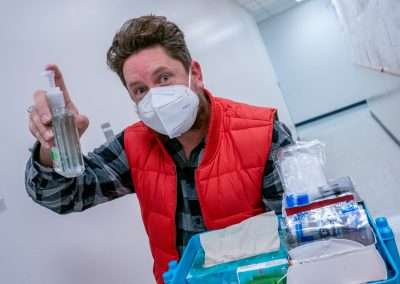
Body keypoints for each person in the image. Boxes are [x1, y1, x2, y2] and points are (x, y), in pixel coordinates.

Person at [25, 15, 294, 283]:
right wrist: (55, 145)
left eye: (164, 78)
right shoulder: (135, 144)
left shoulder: (262, 133)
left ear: (195, 74)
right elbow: (61, 196)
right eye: (140, 90)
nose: (155, 97)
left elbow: (293, 234)